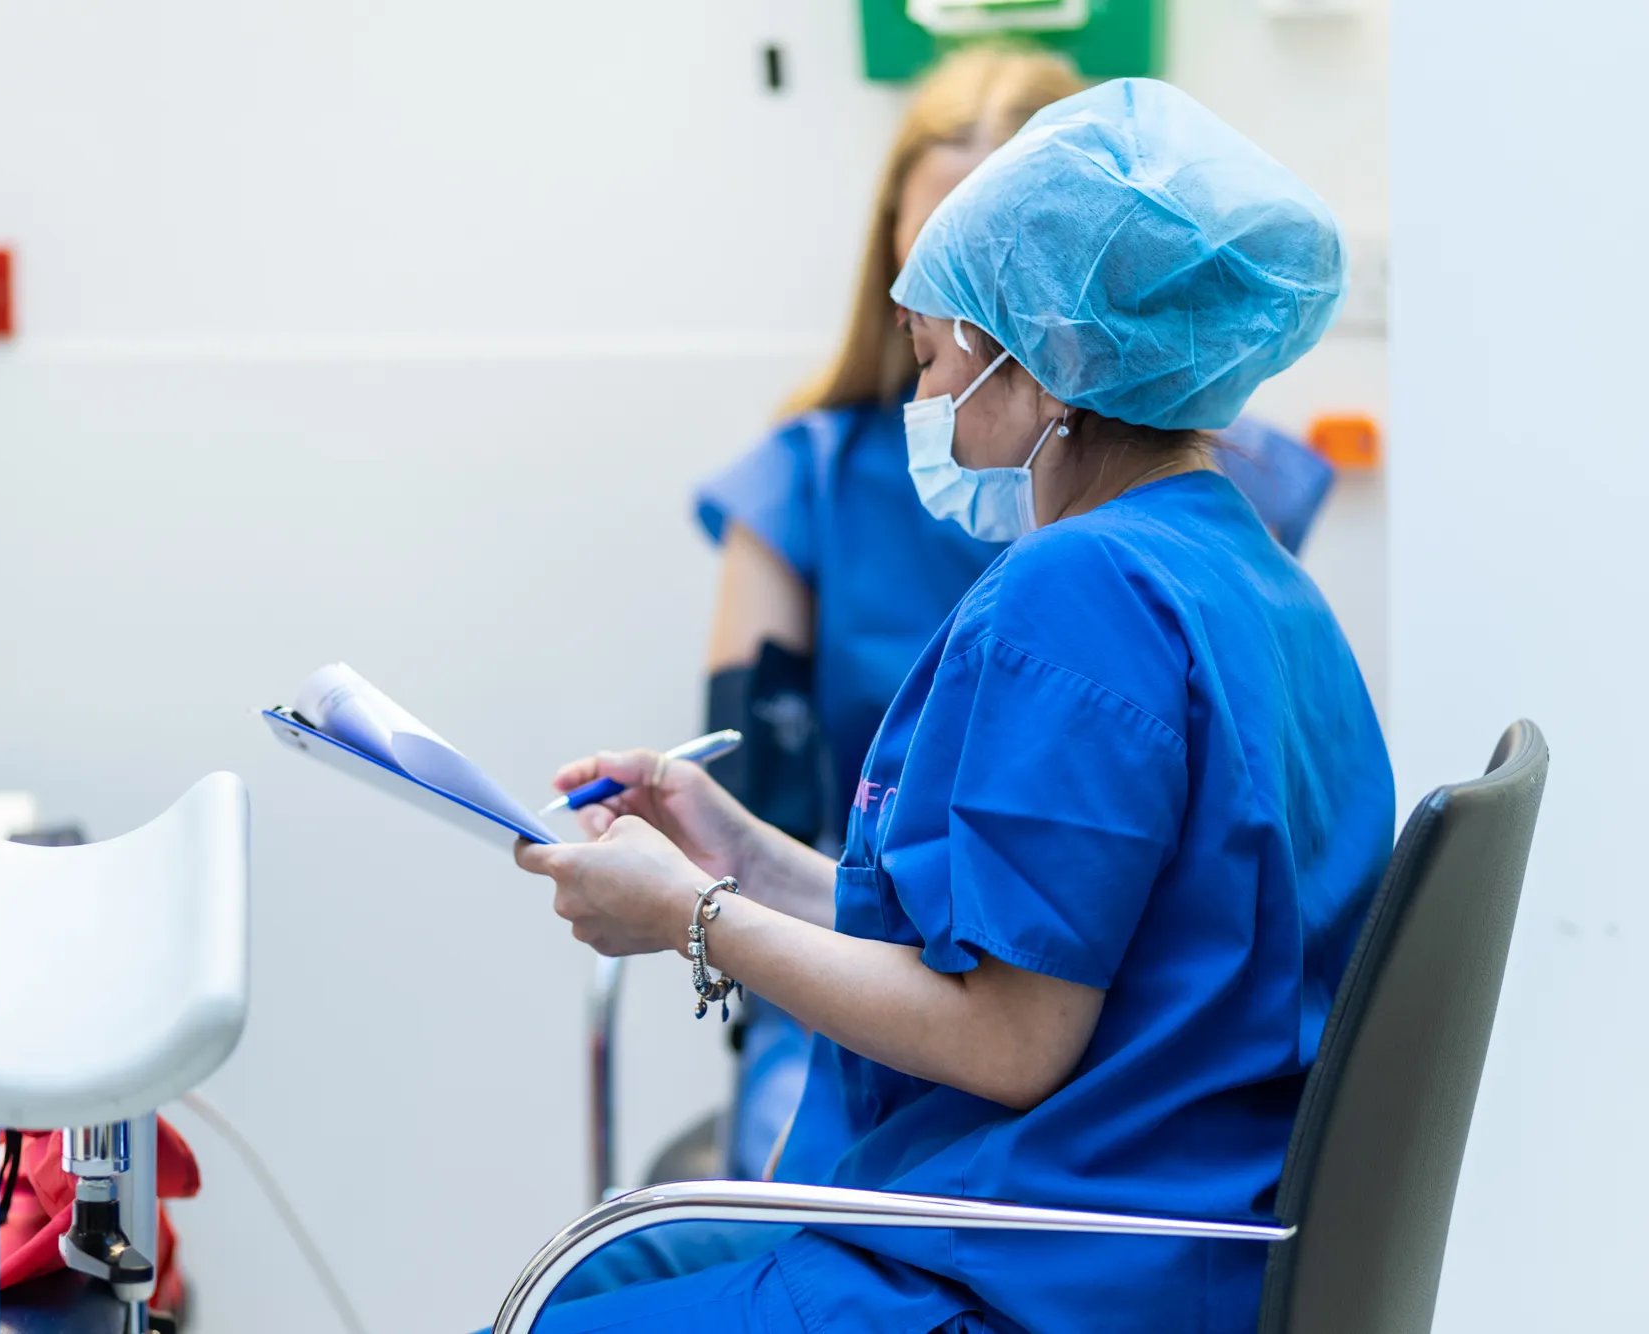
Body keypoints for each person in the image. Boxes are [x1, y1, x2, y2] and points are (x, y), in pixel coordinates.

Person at [511, 77, 1393, 1332]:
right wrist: (747, 854)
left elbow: (1008, 1038)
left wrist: (691, 916)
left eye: (931, 361)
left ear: (1040, 368)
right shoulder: (1238, 570)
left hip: (1047, 1269)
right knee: (605, 1280)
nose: (922, 408)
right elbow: (1025, 928)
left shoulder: (1077, 590)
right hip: (1155, 1225)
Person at [695, 46, 1084, 1182]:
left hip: (1064, 1012)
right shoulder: (801, 484)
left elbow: (1024, 1028)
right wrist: (715, 894)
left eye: (1001, 284)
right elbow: (751, 801)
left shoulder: (1140, 551)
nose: (965, 328)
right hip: (847, 965)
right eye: (936, 280)